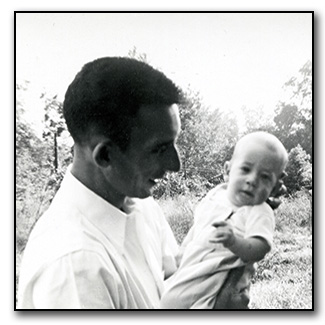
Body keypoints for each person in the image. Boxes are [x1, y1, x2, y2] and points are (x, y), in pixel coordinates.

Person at [17, 57, 263, 309]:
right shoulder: (74, 266)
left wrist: (248, 206)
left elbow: (178, 280)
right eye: (160, 149)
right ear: (105, 155)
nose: (175, 164)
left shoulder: (139, 205)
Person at [160, 131, 288, 309]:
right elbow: (198, 228)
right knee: (165, 302)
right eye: (245, 169)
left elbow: (260, 247)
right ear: (227, 171)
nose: (252, 180)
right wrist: (180, 257)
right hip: (190, 271)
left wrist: (234, 242)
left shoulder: (260, 211)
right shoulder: (216, 194)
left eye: (265, 177)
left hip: (216, 280)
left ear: (275, 186)